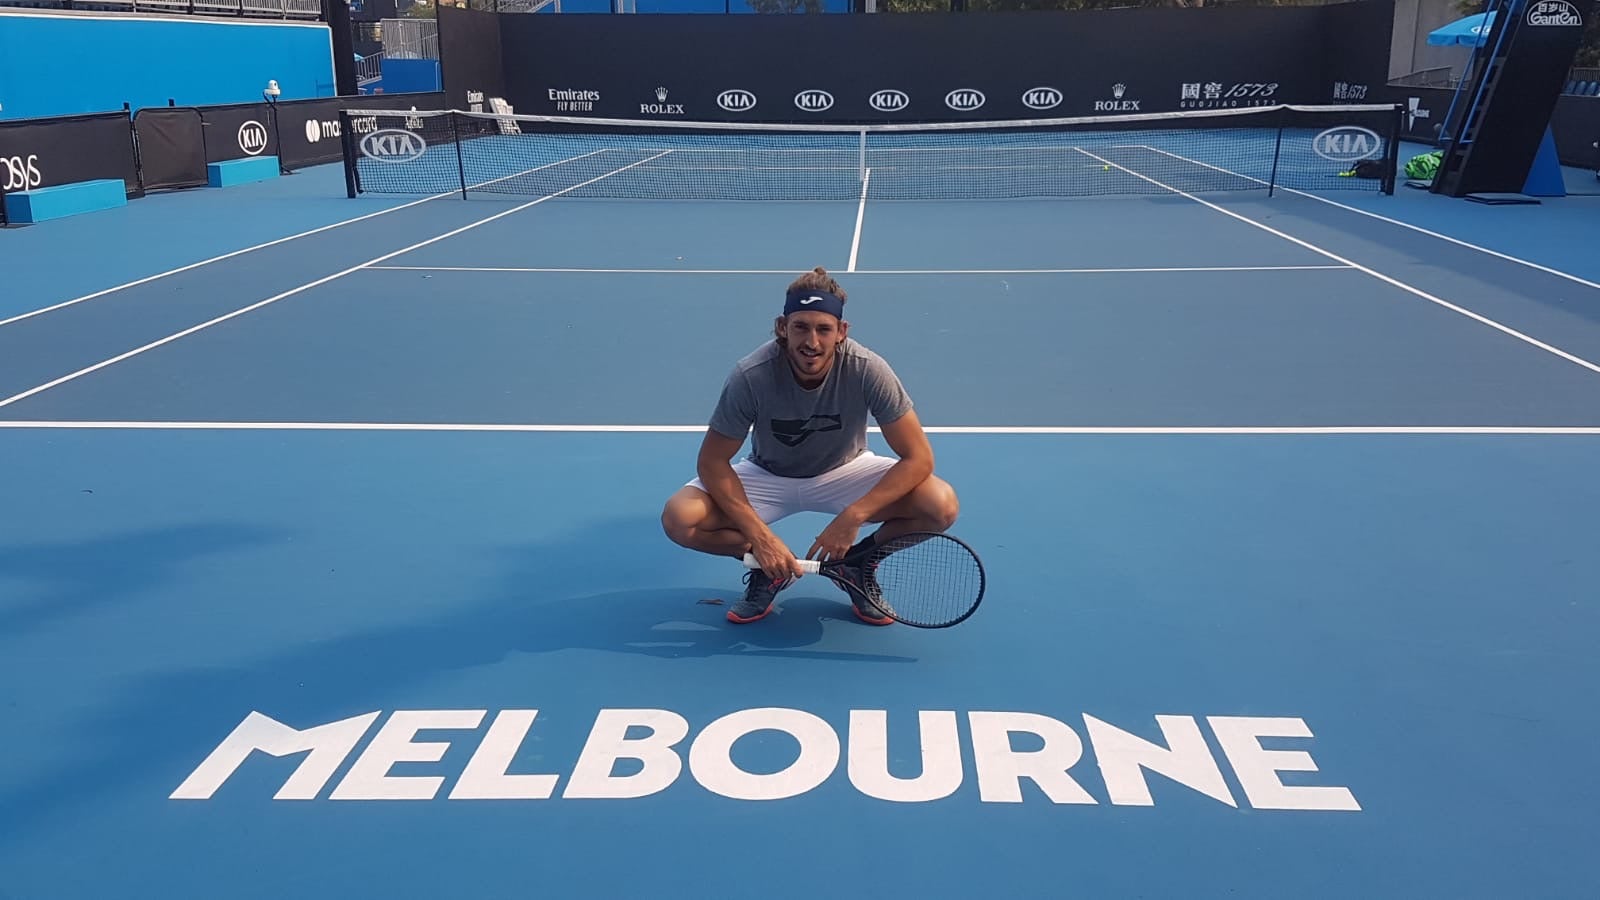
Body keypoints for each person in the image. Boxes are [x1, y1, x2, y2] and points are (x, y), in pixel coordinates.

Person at [660, 266, 960, 625]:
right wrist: (760, 537)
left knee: (939, 506)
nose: (811, 342)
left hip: (845, 471)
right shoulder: (751, 375)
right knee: (680, 518)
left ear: (841, 332)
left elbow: (918, 457)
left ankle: (856, 565)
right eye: (800, 327)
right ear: (783, 328)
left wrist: (854, 516)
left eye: (823, 329)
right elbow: (712, 462)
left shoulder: (867, 369)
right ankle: (767, 567)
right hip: (768, 474)